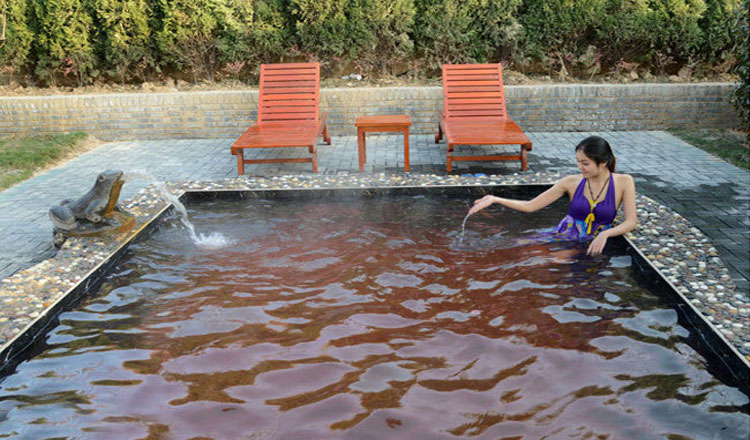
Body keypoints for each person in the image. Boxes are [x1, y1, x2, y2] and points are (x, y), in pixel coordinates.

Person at [468, 136, 637, 256]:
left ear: (603, 162)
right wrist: (495, 199)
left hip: (593, 241)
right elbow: (531, 206)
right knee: (519, 247)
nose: (580, 167)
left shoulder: (624, 182)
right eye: (578, 162)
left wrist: (605, 234)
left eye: (585, 163)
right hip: (564, 235)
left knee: (550, 260)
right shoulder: (570, 182)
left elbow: (631, 222)